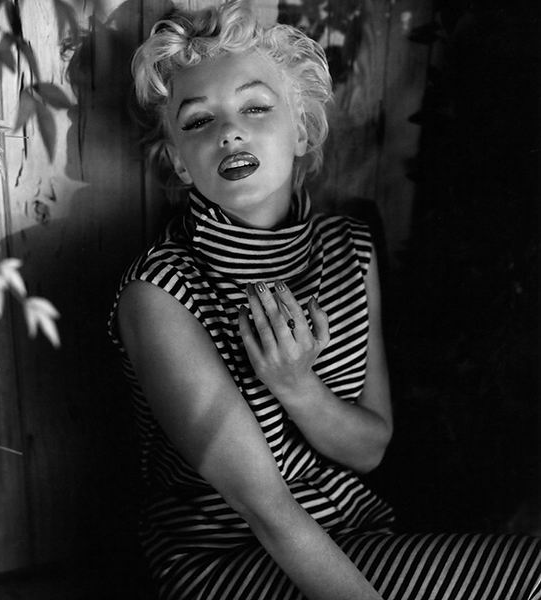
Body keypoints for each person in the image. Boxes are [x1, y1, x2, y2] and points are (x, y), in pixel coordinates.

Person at [108, 1, 541, 598]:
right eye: (199, 120)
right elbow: (266, 512)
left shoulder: (349, 248)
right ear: (180, 162)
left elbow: (370, 448)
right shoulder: (158, 292)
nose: (229, 131)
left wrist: (297, 386)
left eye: (255, 107)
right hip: (229, 561)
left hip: (357, 536)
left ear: (302, 130)